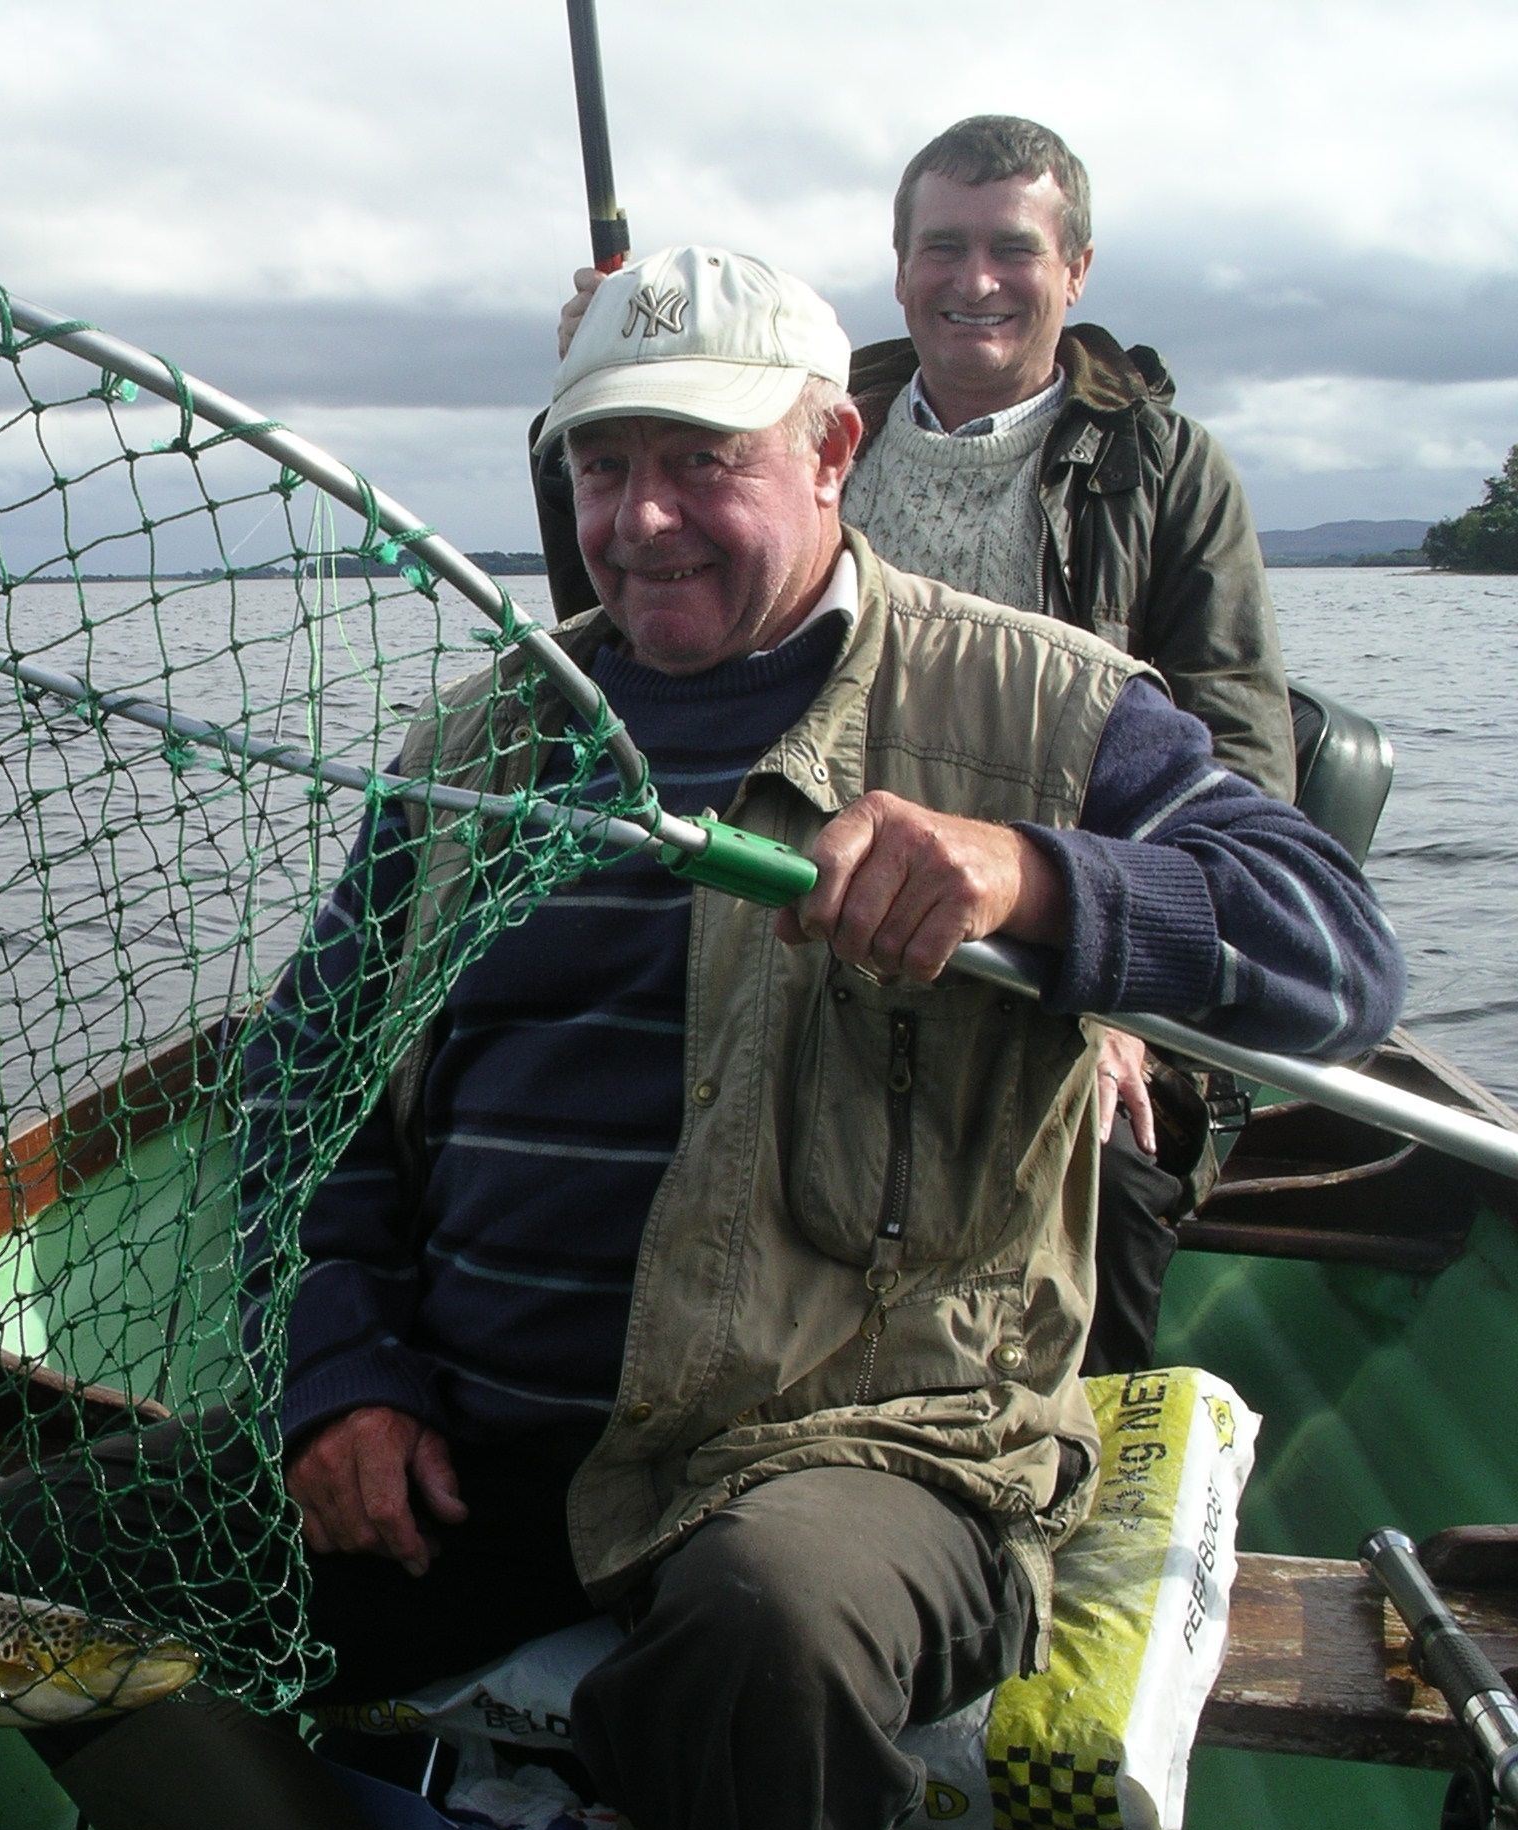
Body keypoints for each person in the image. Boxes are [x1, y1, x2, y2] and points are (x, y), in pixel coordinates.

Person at [18, 248, 1402, 1830]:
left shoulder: (1042, 706)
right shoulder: (476, 742)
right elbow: (314, 1086)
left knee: (768, 1629)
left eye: (700, 462)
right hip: (485, 1446)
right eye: (603, 466)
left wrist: (1029, 877)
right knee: (50, 1552)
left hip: (854, 1442)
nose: (640, 520)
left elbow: (1334, 955)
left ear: (832, 451)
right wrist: (342, 1371)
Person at [541, 116, 1295, 1376]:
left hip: (1039, 963)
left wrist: (1098, 966)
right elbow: (639, 586)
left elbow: (1237, 765)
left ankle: (1043, 1499)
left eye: (1014, 249)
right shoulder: (827, 413)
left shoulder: (1164, 468)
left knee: (1097, 1157)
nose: (975, 280)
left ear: (1078, 272)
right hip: (790, 908)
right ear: (899, 272)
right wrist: (607, 370)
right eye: (942, 247)